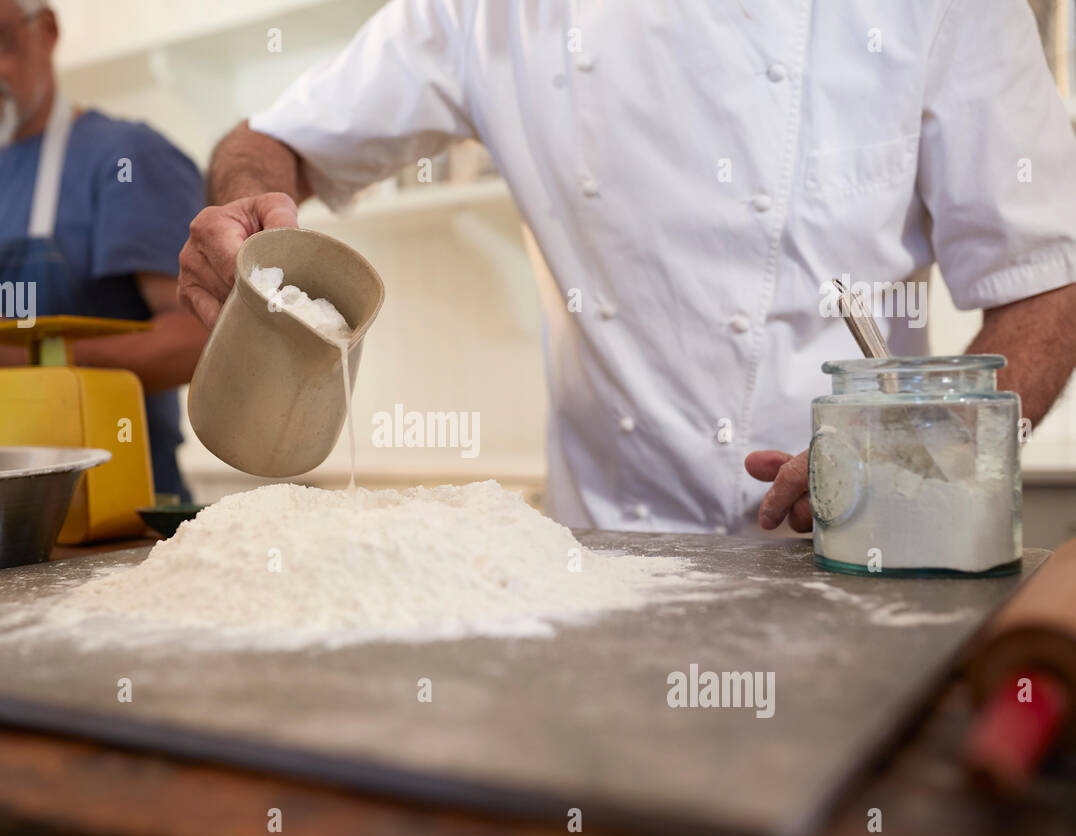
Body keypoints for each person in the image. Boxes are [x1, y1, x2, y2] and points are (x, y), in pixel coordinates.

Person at [178, 0, 1076, 532]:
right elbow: (268, 140)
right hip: (600, 569)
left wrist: (919, 457)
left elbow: (1048, 283)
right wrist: (244, 206)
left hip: (859, 545)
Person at [0, 0, 207, 500]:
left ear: (44, 30)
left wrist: (39, 359)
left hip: (109, 523)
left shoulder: (127, 159)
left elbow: (200, 339)